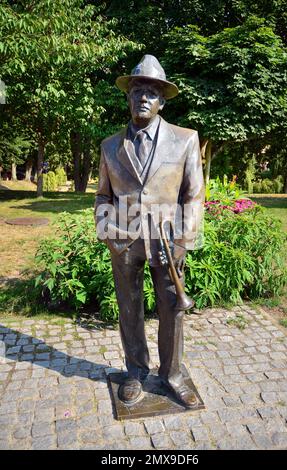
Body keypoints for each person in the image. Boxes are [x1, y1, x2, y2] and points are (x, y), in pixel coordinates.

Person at [95, 55, 204, 408]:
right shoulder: (110, 145)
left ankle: (172, 374)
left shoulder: (185, 140)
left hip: (167, 243)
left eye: (152, 93)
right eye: (138, 90)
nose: (144, 97)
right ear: (128, 97)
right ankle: (136, 372)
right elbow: (102, 195)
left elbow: (194, 195)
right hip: (124, 242)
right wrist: (106, 233)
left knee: (172, 308)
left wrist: (183, 241)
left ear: (161, 101)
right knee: (129, 308)